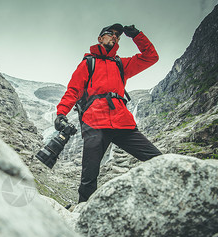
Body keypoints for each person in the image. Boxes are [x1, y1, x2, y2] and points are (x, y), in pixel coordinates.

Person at [55, 23, 162, 204]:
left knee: (157, 159)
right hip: (95, 122)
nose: (114, 37)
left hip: (122, 123)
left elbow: (151, 57)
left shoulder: (121, 64)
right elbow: (73, 91)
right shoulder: (88, 63)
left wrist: (137, 35)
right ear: (100, 38)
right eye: (110, 34)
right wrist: (61, 114)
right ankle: (82, 213)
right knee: (89, 175)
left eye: (117, 36)